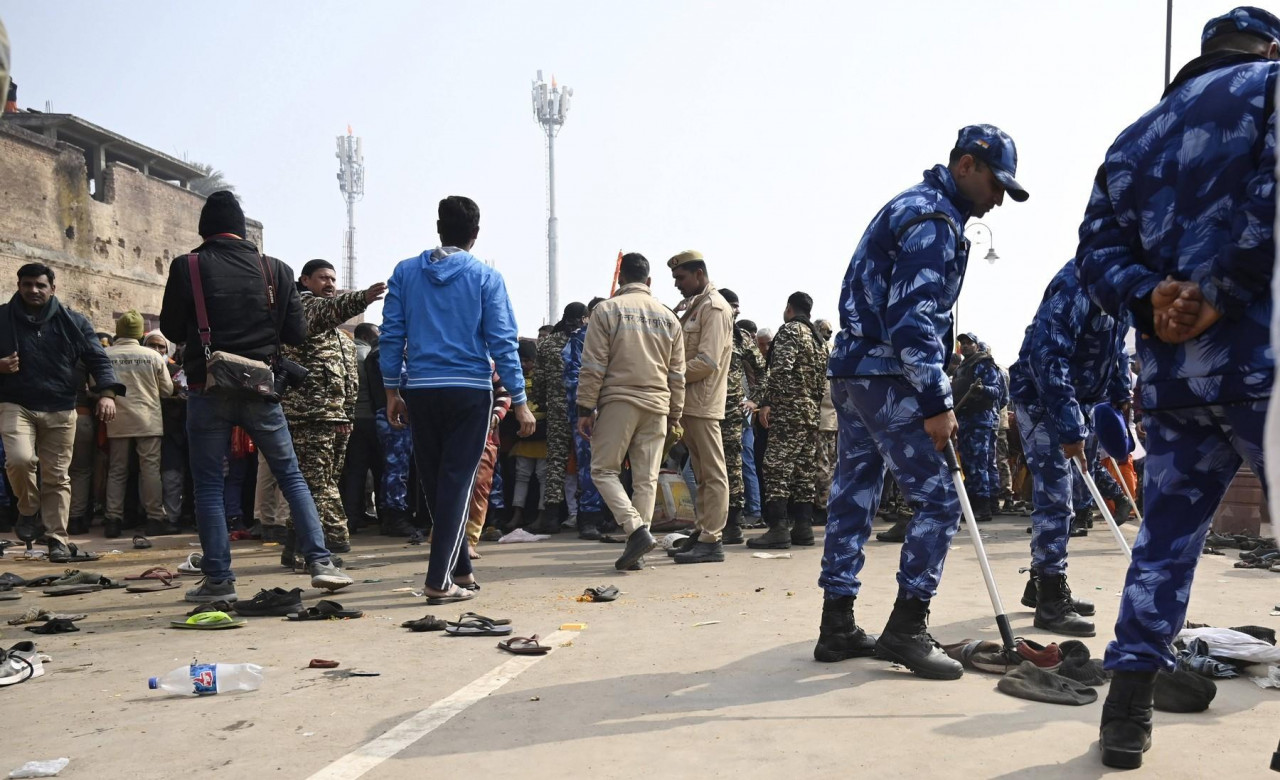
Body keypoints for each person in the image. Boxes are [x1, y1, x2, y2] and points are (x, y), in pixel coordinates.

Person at [1073, 8, 1278, 768]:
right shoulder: (1275, 89)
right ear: (1270, 47)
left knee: (1162, 547)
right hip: (1264, 366)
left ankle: (1125, 719)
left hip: (1172, 378)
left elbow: (1095, 251)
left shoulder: (1136, 136)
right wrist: (1222, 289)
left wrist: (1152, 299)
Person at [821, 124, 1028, 679]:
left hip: (854, 371)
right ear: (965, 166)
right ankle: (906, 629)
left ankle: (836, 624)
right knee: (938, 501)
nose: (998, 200)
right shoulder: (933, 219)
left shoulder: (914, 207)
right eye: (995, 184)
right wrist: (938, 401)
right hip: (889, 374)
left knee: (855, 493)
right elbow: (913, 322)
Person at [159, 191, 353, 600]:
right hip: (262, 389)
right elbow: (296, 334)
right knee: (291, 476)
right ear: (244, 230)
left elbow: (174, 330)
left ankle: (219, 581)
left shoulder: (187, 266)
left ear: (203, 230)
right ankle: (320, 562)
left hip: (206, 387)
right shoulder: (276, 269)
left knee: (210, 485)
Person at [380, 195, 535, 605]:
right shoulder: (486, 278)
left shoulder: (406, 273)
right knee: (457, 483)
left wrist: (392, 390)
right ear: (475, 234)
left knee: (436, 482)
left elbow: (391, 334)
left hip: (422, 389)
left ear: (438, 227)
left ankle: (461, 567)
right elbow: (503, 342)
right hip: (469, 390)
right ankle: (438, 579)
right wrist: (519, 399)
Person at [1007, 259, 1132, 639]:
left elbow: (1117, 349)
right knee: (1056, 496)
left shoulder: (1123, 286)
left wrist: (1121, 394)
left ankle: (1039, 584)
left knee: (1071, 495)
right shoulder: (1078, 284)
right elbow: (1047, 357)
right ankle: (1049, 600)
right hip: (1043, 400)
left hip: (1081, 401)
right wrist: (1068, 424)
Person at [0, 263, 123, 561]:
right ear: (19, 286)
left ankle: (56, 538)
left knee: (57, 477)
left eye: (40, 285)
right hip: (16, 403)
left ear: (52, 288)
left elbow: (98, 358)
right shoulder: (2, 318)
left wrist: (107, 394)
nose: (34, 290)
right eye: (27, 284)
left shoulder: (74, 322)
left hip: (61, 406)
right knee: (19, 459)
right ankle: (28, 509)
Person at [577, 253, 685, 571]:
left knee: (603, 470)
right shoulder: (668, 317)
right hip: (658, 404)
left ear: (621, 279)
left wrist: (585, 406)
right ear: (648, 281)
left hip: (619, 400)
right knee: (646, 478)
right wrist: (675, 412)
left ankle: (635, 530)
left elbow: (594, 363)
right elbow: (677, 374)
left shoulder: (607, 310)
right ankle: (637, 546)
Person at [281, 259, 384, 558]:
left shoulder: (340, 336)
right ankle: (328, 542)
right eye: (322, 278)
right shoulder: (303, 308)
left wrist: (346, 414)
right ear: (305, 281)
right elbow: (326, 310)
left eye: (333, 279)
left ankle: (295, 546)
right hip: (308, 416)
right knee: (315, 484)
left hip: (335, 418)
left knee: (323, 482)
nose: (329, 284)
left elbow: (348, 380)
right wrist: (361, 298)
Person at [666, 251, 733, 564]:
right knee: (703, 474)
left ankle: (712, 538)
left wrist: (667, 375)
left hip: (703, 403)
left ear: (700, 274)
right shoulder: (695, 307)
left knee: (712, 473)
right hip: (689, 403)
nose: (677, 284)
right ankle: (704, 531)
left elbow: (706, 362)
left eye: (681, 277)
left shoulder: (715, 308)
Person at [748, 291, 828, 549]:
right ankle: (803, 528)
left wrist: (766, 402)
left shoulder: (791, 330)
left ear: (789, 308)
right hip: (811, 412)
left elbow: (780, 370)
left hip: (789, 411)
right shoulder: (818, 340)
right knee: (803, 471)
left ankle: (778, 528)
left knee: (775, 468)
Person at [102, 310, 175, 540]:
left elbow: (97, 385)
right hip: (148, 419)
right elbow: (167, 390)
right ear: (138, 333)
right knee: (150, 469)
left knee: (117, 470)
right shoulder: (153, 356)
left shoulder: (106, 354)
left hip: (117, 418)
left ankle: (112, 520)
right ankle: (155, 518)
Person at [714, 289, 768, 544]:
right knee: (705, 469)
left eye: (737, 307)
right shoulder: (701, 331)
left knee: (734, 468)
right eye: (730, 305)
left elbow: (764, 372)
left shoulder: (742, 338)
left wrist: (754, 399)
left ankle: (732, 524)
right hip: (702, 410)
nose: (734, 311)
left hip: (731, 413)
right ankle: (709, 522)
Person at [530, 302, 586, 534]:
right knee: (586, 462)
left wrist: (544, 401)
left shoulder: (548, 343)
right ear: (583, 317)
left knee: (555, 462)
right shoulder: (586, 340)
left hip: (556, 409)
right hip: (584, 410)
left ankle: (552, 517)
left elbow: (539, 379)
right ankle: (589, 516)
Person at [563, 296, 609, 540]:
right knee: (589, 466)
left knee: (611, 466)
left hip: (615, 409)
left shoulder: (617, 337)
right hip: (587, 413)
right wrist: (590, 405)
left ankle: (607, 515)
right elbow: (572, 378)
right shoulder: (580, 339)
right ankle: (589, 517)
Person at [951, 333, 1006, 522]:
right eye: (962, 343)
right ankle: (986, 502)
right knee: (970, 463)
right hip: (965, 420)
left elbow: (997, 392)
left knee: (979, 464)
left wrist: (981, 389)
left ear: (976, 346)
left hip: (980, 421)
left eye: (969, 343)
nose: (965, 346)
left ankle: (982, 506)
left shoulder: (984, 364)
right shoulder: (962, 368)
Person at [341, 322, 382, 533]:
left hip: (352, 419)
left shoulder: (343, 352)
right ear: (366, 336)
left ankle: (352, 518)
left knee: (355, 471)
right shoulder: (371, 354)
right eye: (376, 336)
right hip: (372, 418)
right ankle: (384, 516)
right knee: (379, 470)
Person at [508, 341, 548, 530]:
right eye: (520, 360)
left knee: (543, 475)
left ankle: (541, 515)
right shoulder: (514, 380)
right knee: (521, 475)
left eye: (528, 360)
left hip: (542, 434)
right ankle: (517, 514)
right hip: (522, 435)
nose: (524, 364)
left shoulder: (543, 378)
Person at [813, 319, 837, 526]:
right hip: (833, 418)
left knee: (822, 465)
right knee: (832, 465)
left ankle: (823, 506)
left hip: (821, 418)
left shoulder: (820, 351)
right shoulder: (834, 352)